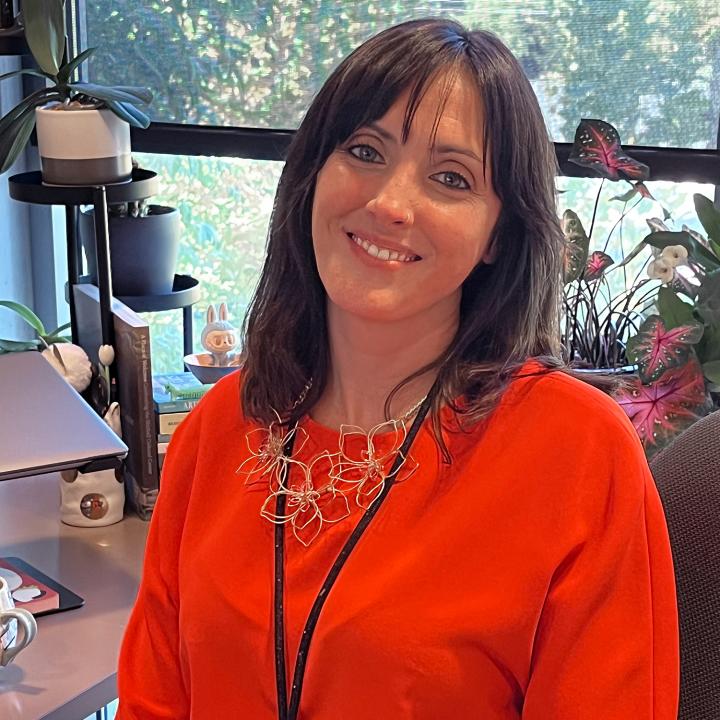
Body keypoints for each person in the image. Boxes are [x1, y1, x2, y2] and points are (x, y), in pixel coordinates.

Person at [117, 18, 679, 719]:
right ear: (313, 175)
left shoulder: (577, 455)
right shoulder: (219, 428)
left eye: (451, 177)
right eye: (365, 150)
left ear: (499, 235)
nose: (388, 204)